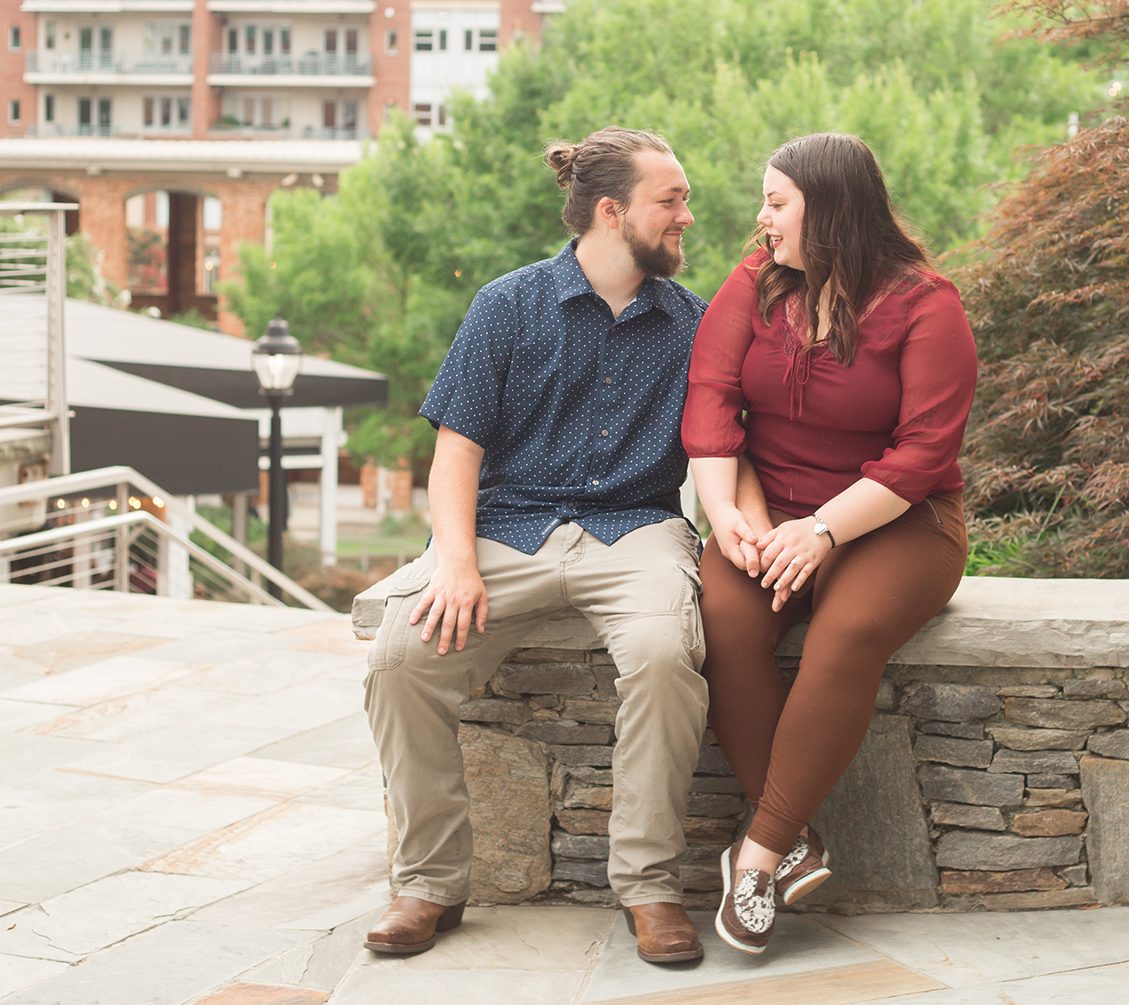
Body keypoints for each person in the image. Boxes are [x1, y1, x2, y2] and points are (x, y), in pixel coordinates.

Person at [363, 127, 712, 965]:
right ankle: (429, 885)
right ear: (609, 210)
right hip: (504, 528)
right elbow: (457, 450)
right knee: (397, 659)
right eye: (672, 201)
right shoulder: (507, 304)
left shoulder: (697, 324)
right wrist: (453, 562)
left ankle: (650, 886)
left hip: (639, 529)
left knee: (667, 652)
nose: (687, 218)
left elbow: (720, 456)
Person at [683, 132, 977, 954]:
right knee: (724, 620)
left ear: (831, 208)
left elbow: (924, 453)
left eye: (776, 202)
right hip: (767, 513)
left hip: (897, 522)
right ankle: (800, 836)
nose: (761, 217)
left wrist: (823, 529)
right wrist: (731, 515)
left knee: (844, 635)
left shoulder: (928, 306)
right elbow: (711, 397)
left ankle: (760, 853)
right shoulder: (754, 281)